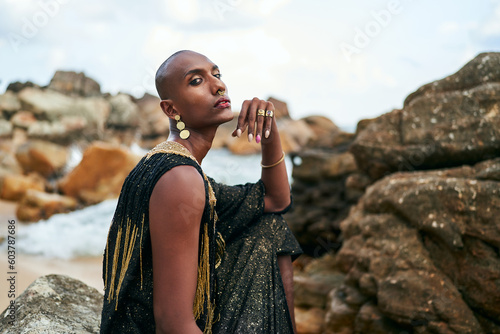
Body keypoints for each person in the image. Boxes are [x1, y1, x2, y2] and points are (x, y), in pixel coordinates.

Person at [100, 50, 302, 334]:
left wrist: (270, 133)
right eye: (196, 81)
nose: (218, 85)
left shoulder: (179, 167)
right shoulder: (179, 178)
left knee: (269, 227)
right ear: (171, 110)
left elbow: (275, 200)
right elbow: (173, 325)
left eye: (216, 75)